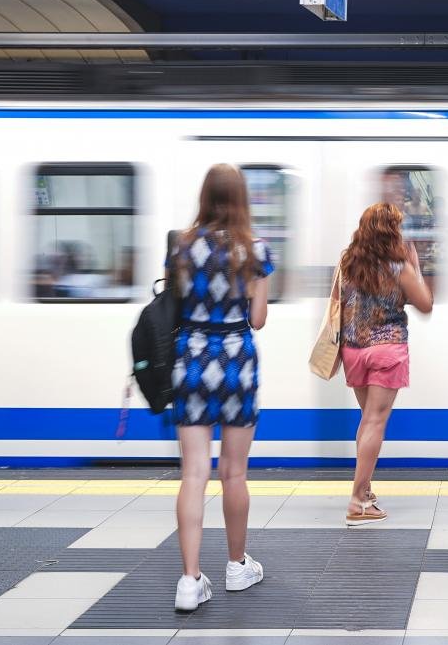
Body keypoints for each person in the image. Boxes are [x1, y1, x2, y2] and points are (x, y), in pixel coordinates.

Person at [168, 164, 275, 612]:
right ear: (241, 199)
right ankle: (236, 566)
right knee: (234, 471)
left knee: (194, 473)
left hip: (191, 358)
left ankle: (189, 581)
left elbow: (175, 303)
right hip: (236, 362)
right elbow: (258, 319)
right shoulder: (256, 250)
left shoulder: (181, 247)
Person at [339, 203, 433, 526]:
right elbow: (426, 304)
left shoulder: (347, 263)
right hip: (386, 350)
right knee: (376, 423)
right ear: (391, 232)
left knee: (367, 422)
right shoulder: (399, 268)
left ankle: (365, 492)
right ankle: (357, 501)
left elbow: (338, 302)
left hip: (353, 351)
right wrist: (415, 268)